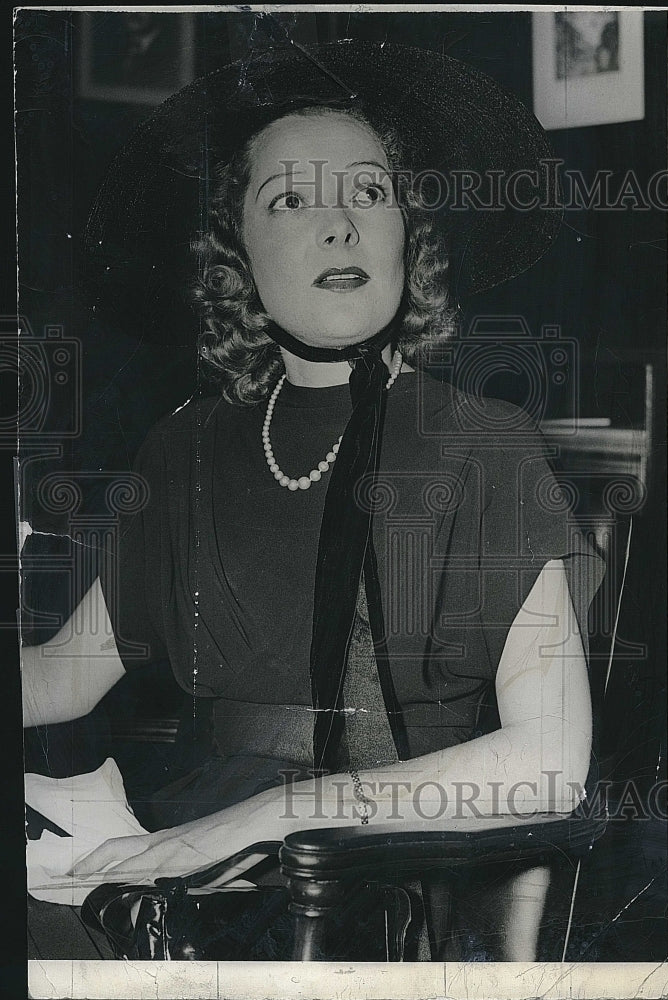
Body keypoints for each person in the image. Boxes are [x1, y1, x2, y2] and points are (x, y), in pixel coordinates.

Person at [22, 40, 604, 960]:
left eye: (368, 193)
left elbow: (550, 765)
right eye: (290, 199)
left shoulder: (480, 443)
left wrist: (275, 815)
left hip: (377, 886)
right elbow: (61, 678)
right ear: (233, 255)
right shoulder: (186, 447)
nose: (340, 226)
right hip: (185, 850)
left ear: (408, 232)